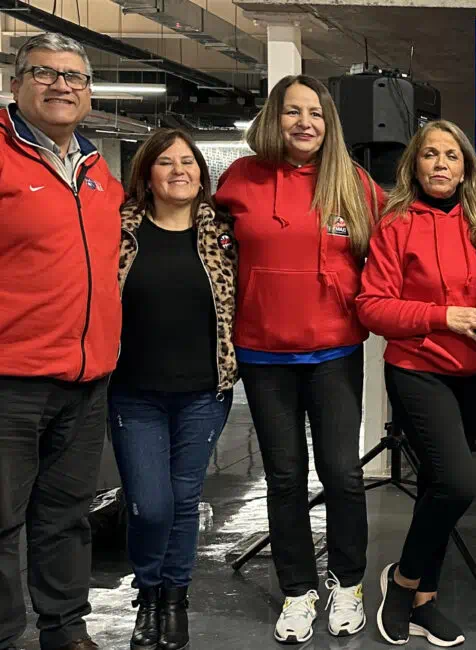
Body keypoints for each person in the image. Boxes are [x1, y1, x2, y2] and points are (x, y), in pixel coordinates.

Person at [214, 74, 382, 645]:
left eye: (315, 112)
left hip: (335, 351)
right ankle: (296, 590)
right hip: (263, 354)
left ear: (329, 122)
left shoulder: (353, 183)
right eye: (293, 111)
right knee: (284, 477)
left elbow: (397, 242)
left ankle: (348, 583)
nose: (305, 122)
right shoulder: (241, 178)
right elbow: (205, 245)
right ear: (274, 118)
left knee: (342, 474)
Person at [357, 119, 476, 648]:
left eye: (452, 156)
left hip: (472, 374)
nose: (441, 164)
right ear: (414, 165)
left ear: (466, 167)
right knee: (458, 482)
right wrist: (445, 317)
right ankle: (400, 584)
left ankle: (424, 597)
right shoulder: (395, 225)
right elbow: (373, 307)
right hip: (418, 371)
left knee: (439, 487)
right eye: (430, 155)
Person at [0, 33, 123, 650]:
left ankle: (65, 628)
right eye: (45, 73)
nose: (61, 85)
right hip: (10, 381)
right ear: (15, 83)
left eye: (74, 77)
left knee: (67, 515)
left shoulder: (99, 172)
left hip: (85, 380)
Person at [110, 128, 237, 650]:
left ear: (202, 175)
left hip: (205, 392)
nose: (179, 170)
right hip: (133, 390)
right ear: (147, 173)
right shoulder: (118, 232)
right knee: (150, 504)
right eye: (166, 162)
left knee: (185, 500)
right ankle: (147, 590)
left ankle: (173, 598)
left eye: (188, 161)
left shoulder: (223, 235)